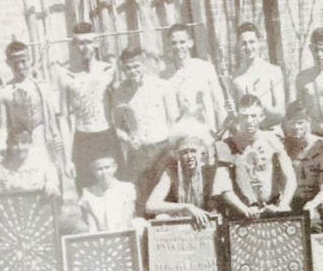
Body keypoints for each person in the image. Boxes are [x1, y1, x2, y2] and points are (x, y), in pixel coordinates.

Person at [109, 46, 179, 208]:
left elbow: (173, 122)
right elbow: (117, 126)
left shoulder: (163, 86)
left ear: (144, 65)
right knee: (141, 200)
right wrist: (127, 138)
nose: (132, 71)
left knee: (166, 198)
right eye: (128, 68)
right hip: (138, 154)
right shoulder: (120, 92)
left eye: (136, 66)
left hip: (163, 150)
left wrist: (171, 150)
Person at [214, 94, 295, 218]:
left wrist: (283, 205)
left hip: (273, 208)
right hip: (241, 212)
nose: (249, 121)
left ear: (262, 116)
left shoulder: (272, 140)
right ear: (238, 118)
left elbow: (290, 177)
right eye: (244, 116)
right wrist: (244, 209)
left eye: (253, 116)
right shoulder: (226, 145)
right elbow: (224, 187)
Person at [59, 22, 118, 190]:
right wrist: (67, 159)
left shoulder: (109, 71)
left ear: (96, 43)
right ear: (73, 45)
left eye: (88, 42)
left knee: (114, 190)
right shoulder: (66, 76)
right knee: (86, 192)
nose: (84, 47)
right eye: (79, 42)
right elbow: (64, 118)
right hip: (83, 138)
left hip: (106, 136)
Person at [144, 128, 219, 227]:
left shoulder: (211, 173)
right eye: (184, 152)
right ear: (178, 156)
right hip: (180, 222)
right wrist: (186, 207)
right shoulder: (171, 173)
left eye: (193, 151)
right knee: (161, 218)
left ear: (201, 152)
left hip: (206, 221)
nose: (189, 156)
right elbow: (150, 205)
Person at [162, 23, 228, 133]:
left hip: (206, 131)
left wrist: (223, 132)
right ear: (169, 46)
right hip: (182, 135)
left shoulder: (205, 68)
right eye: (174, 43)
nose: (178, 47)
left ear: (190, 43)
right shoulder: (165, 75)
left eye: (182, 42)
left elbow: (218, 102)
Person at [281, 100, 323, 231]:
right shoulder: (284, 146)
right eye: (292, 123)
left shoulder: (321, 146)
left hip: (314, 201)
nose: (296, 127)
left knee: (314, 228)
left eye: (301, 123)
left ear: (308, 122)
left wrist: (313, 204)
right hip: (292, 201)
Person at [230, 22, 284, 127]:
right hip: (247, 134)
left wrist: (261, 103)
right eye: (244, 43)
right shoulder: (235, 77)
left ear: (259, 43)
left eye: (252, 42)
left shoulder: (273, 71)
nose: (248, 47)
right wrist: (231, 112)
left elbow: (280, 113)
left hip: (270, 131)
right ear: (238, 46)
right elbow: (237, 117)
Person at [78, 154, 137, 233]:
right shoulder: (88, 194)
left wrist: (119, 234)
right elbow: (91, 224)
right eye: (99, 169)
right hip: (101, 235)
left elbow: (127, 216)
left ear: (114, 168)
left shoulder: (126, 188)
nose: (104, 172)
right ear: (93, 172)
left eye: (107, 167)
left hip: (124, 232)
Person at [0, 128, 59, 197]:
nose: (20, 148)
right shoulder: (3, 170)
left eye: (24, 143)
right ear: (9, 145)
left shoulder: (42, 162)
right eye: (15, 144)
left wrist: (50, 185)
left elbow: (53, 182)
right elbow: (0, 198)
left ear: (30, 143)